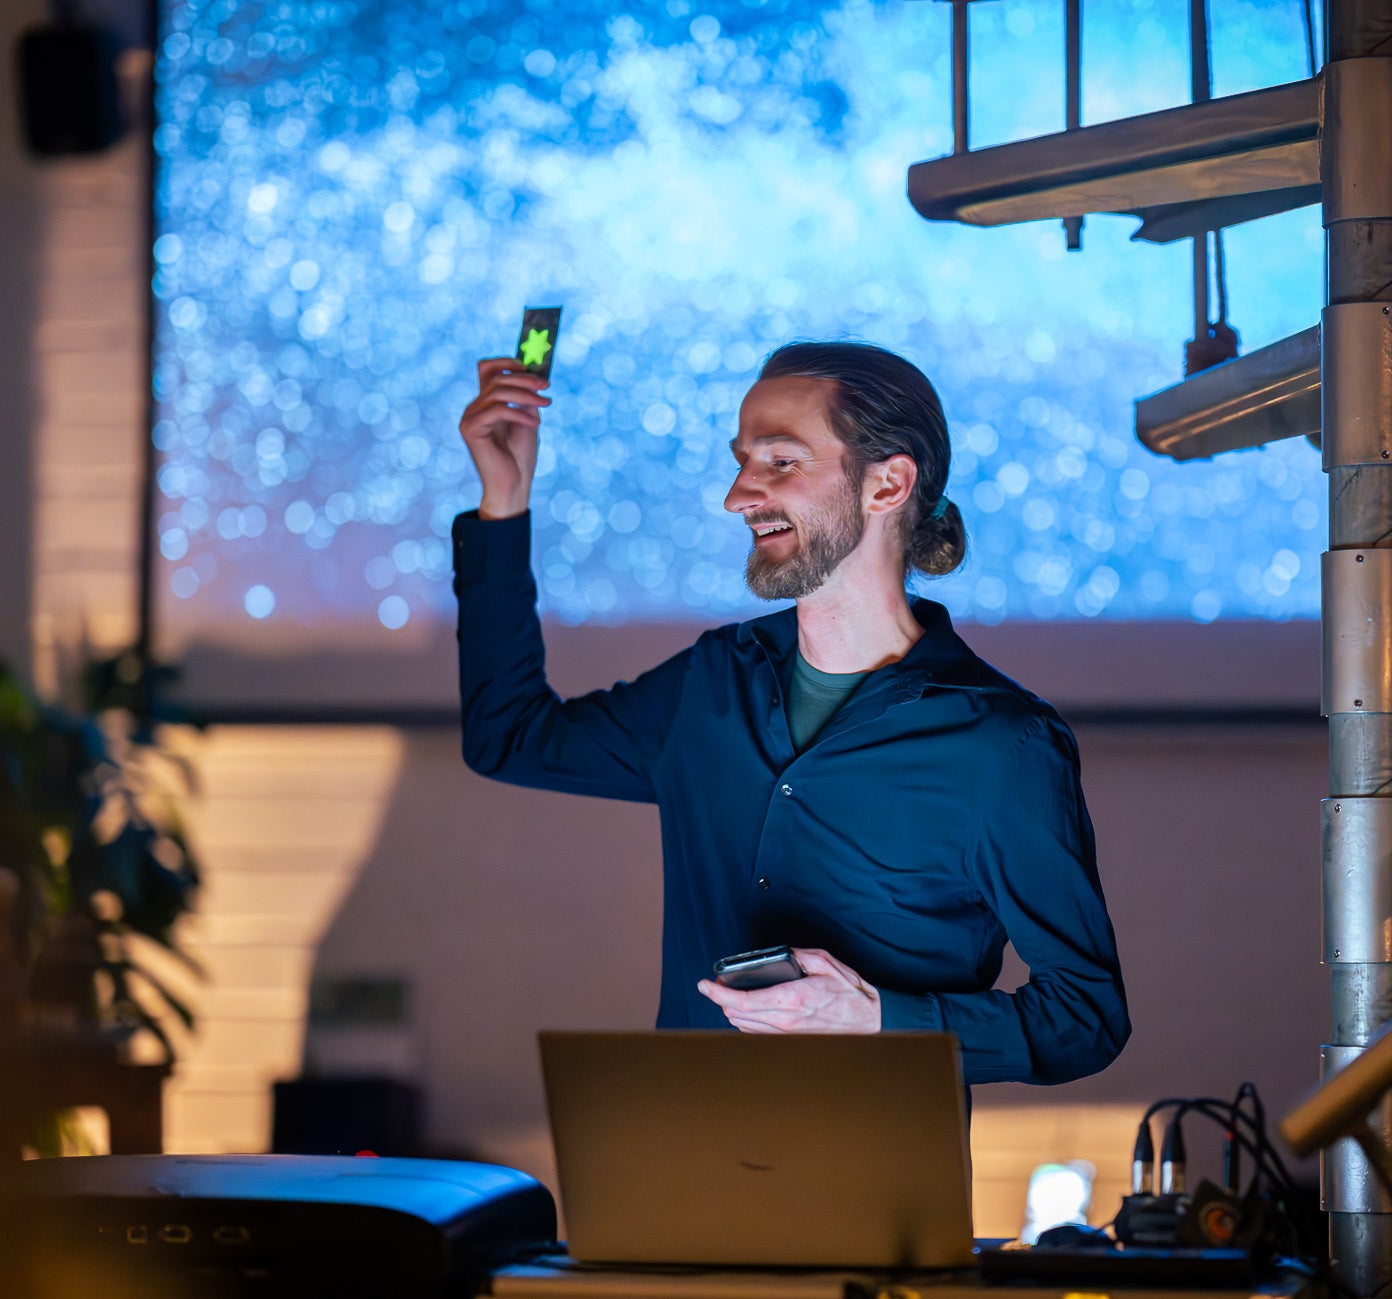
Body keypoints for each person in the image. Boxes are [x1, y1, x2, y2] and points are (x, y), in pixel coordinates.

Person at [452, 340, 1128, 1085]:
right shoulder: (711, 681)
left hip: (881, 1161)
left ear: (888, 484)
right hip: (678, 1142)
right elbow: (508, 738)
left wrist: (877, 1018)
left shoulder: (1003, 746)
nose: (738, 495)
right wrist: (503, 503)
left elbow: (1086, 1018)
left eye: (780, 461)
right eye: (742, 461)